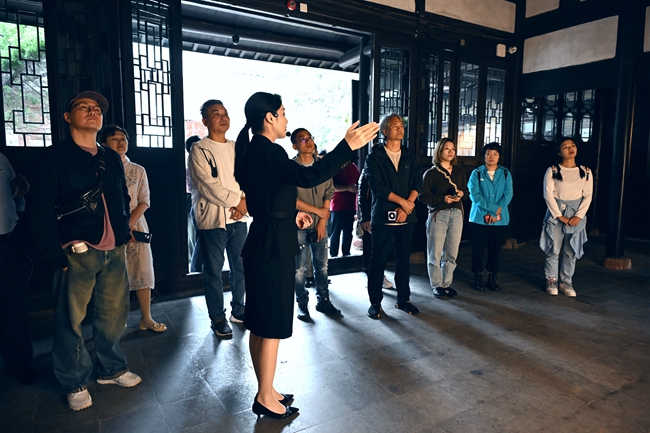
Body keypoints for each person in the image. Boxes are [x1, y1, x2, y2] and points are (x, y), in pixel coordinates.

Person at [234, 92, 378, 420]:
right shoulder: (269, 150)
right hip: (274, 245)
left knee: (260, 322)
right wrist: (346, 146)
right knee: (271, 324)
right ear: (269, 118)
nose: (286, 118)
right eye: (282, 113)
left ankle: (267, 389)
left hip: (264, 238)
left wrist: (291, 213)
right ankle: (264, 397)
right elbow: (306, 176)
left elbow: (270, 195)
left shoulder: (254, 150)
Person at [29, 91, 141, 411]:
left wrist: (123, 232)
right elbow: (40, 208)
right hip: (75, 250)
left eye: (97, 109)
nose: (93, 112)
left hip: (112, 248)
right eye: (84, 107)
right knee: (70, 320)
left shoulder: (110, 157)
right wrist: (52, 252)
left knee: (113, 313)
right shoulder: (54, 157)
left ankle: (111, 369)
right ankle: (74, 381)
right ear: (68, 117)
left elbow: (122, 198)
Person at [189, 99, 248, 338]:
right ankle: (217, 318)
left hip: (238, 219)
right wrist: (238, 202)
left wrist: (244, 204)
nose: (223, 117)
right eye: (216, 114)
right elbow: (207, 185)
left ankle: (239, 310)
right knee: (213, 273)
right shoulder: (199, 149)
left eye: (225, 113)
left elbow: (248, 178)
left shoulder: (237, 147)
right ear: (205, 121)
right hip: (213, 221)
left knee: (241, 268)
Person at [100, 125, 166, 332]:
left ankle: (146, 317)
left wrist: (127, 225)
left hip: (135, 225)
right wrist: (118, 226)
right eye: (114, 139)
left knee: (142, 269)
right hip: (108, 227)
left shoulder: (138, 170)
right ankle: (117, 320)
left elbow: (144, 201)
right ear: (103, 144)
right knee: (114, 274)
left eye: (124, 139)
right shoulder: (99, 168)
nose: (121, 143)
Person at [364, 113, 422, 319]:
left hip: (407, 215)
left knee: (403, 260)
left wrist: (407, 206)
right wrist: (402, 202)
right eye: (395, 126)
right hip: (382, 215)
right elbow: (377, 186)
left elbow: (418, 182)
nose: (400, 128)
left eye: (402, 126)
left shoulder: (410, 156)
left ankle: (403, 300)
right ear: (385, 131)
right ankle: (375, 303)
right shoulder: (374, 157)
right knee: (378, 261)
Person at [291, 128, 340, 320]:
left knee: (322, 266)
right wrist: (317, 212)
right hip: (299, 225)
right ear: (294, 146)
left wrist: (322, 219)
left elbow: (329, 191)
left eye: (310, 137)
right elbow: (290, 198)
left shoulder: (322, 165)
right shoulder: (291, 168)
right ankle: (302, 304)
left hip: (321, 222)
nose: (308, 141)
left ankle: (324, 301)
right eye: (302, 139)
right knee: (298, 269)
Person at [0, 152, 39, 385]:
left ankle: (19, 363)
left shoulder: (2, 160)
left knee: (13, 305)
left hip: (7, 240)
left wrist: (19, 192)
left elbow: (14, 200)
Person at [540, 137, 593, 297]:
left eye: (573, 145)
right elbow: (548, 194)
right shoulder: (553, 170)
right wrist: (559, 216)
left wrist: (579, 216)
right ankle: (552, 280)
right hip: (556, 213)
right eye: (565, 147)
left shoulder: (586, 171)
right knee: (553, 248)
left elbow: (588, 196)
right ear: (559, 152)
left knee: (571, 251)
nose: (570, 149)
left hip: (576, 214)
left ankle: (566, 281)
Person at [419, 138, 469, 298]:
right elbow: (422, 196)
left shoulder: (460, 172)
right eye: (447, 148)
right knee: (435, 252)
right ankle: (437, 285)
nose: (450, 151)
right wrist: (442, 199)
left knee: (452, 252)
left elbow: (467, 193)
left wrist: (461, 194)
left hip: (457, 214)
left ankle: (446, 284)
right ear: (439, 151)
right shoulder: (431, 173)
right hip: (438, 215)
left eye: (453, 149)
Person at [468, 142, 513, 292]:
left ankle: (492, 277)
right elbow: (475, 196)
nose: (491, 156)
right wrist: (492, 210)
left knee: (495, 250)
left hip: (499, 220)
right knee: (477, 249)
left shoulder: (505, 173)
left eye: (495, 154)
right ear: (484, 156)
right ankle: (477, 276)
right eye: (488, 153)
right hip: (479, 218)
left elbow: (508, 194)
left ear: (499, 156)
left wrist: (495, 213)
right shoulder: (476, 173)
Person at [358, 166, 394, 289]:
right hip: (371, 215)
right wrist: (365, 218)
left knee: (382, 247)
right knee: (370, 247)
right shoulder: (367, 170)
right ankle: (371, 276)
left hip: (384, 213)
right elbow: (362, 195)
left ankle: (378, 275)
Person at [329, 160, 360, 257]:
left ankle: (346, 254)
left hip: (351, 204)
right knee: (336, 232)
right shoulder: (335, 166)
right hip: (337, 205)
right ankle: (333, 255)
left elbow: (359, 182)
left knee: (348, 232)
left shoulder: (353, 167)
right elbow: (331, 187)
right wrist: (347, 188)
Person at [185, 135, 203, 272]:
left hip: (196, 203)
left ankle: (197, 269)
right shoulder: (192, 164)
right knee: (201, 239)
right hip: (197, 203)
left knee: (201, 239)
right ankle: (196, 270)